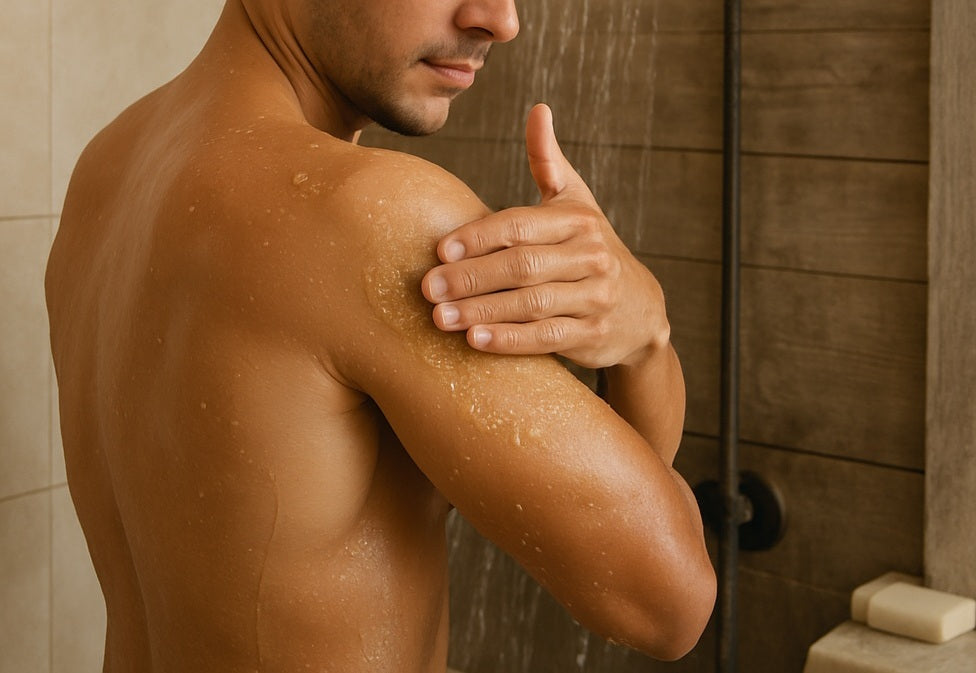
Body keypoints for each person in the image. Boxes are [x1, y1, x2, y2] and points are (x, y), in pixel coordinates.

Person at [45, 1, 716, 671]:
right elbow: (670, 602)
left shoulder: (105, 170)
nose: (500, 21)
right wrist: (645, 330)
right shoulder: (368, 217)